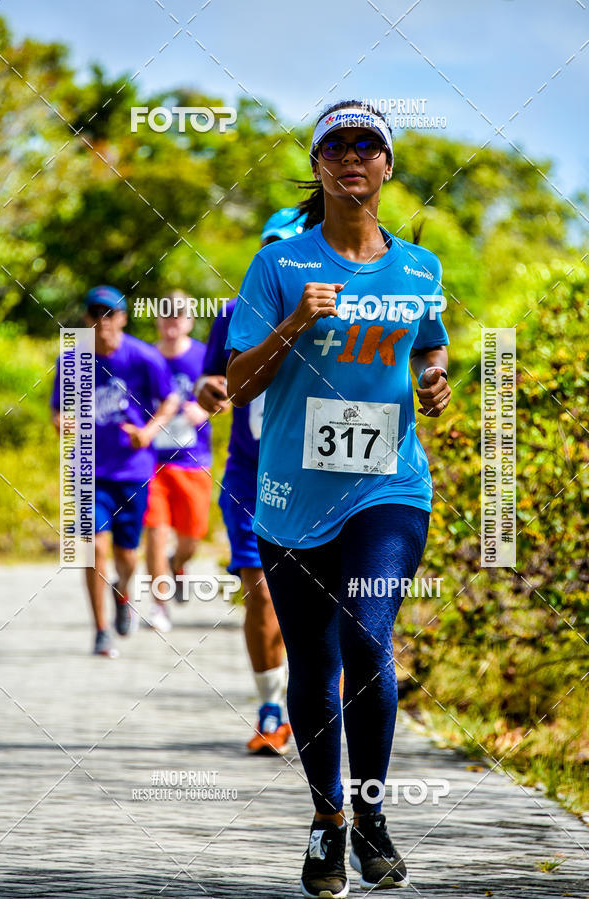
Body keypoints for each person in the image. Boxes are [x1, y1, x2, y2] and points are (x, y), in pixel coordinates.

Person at [226, 101, 451, 897]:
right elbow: (238, 383)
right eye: (336, 145)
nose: (352, 155)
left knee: (366, 633)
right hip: (292, 495)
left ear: (387, 165)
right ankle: (329, 819)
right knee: (315, 662)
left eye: (367, 145)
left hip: (391, 484)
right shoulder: (279, 264)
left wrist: (435, 379)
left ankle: (373, 814)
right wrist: (295, 321)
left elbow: (430, 347)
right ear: (317, 163)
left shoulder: (420, 267)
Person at [196, 208, 306, 756]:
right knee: (260, 591)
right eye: (269, 246)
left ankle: (316, 701)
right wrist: (208, 392)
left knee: (318, 599)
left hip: (313, 477)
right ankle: (270, 709)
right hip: (249, 474)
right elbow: (209, 380)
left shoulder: (336, 307)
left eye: (286, 246)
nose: (276, 257)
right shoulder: (234, 310)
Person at [51, 285, 178, 658]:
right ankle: (101, 630)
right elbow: (58, 408)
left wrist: (149, 432)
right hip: (88, 470)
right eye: (95, 314)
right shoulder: (72, 359)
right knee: (94, 547)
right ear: (86, 319)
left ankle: (122, 592)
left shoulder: (143, 356)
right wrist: (62, 423)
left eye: (110, 314)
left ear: (122, 318)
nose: (102, 322)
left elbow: (171, 398)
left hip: (133, 471)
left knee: (127, 555)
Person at [143, 292, 212, 632]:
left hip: (192, 460)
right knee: (155, 532)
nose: (172, 320)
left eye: (179, 314)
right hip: (150, 462)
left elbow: (228, 391)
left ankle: (178, 563)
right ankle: (159, 606)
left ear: (190, 319)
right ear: (157, 318)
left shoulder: (203, 356)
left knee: (191, 538)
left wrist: (206, 409)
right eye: (166, 313)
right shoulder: (146, 357)